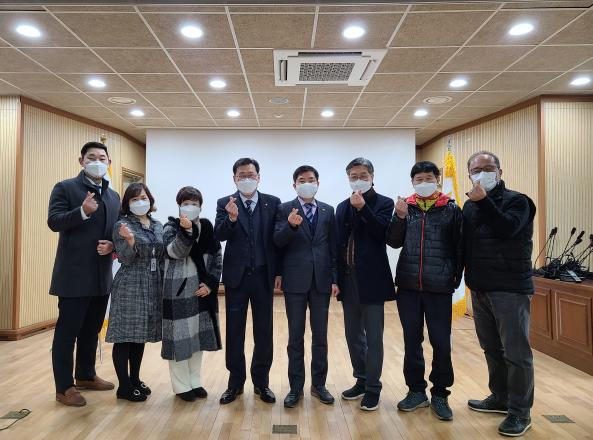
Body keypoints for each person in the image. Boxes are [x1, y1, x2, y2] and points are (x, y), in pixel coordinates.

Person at [463, 151, 536, 437]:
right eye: (476, 170)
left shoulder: (519, 201)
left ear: (500, 172)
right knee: (491, 348)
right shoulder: (469, 205)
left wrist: (484, 202)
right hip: (480, 287)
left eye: (488, 168)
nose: (482, 173)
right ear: (470, 175)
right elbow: (465, 243)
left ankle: (520, 412)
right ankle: (500, 397)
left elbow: (508, 229)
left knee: (516, 353)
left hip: (510, 288)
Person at [386, 161, 463, 421]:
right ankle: (416, 391)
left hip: (439, 287)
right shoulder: (405, 207)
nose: (423, 182)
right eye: (418, 179)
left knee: (441, 342)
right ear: (412, 182)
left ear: (437, 179)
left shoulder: (451, 208)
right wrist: (399, 217)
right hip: (408, 285)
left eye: (428, 178)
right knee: (411, 341)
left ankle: (440, 393)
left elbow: (460, 247)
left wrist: (454, 278)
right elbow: (393, 242)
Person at [47, 141, 120, 407]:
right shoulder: (66, 187)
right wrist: (82, 212)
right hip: (74, 277)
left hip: (101, 276)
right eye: (91, 157)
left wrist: (113, 246)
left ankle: (86, 375)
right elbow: (54, 221)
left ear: (109, 162)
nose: (97, 162)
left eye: (102, 158)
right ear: (81, 161)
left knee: (91, 330)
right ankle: (64, 387)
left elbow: (115, 230)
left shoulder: (113, 196)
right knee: (67, 334)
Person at [215, 158, 281, 405]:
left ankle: (262, 383)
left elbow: (277, 241)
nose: (246, 179)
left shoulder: (272, 203)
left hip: (263, 276)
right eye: (241, 175)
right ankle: (235, 383)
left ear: (258, 177)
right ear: (234, 178)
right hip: (237, 278)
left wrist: (279, 273)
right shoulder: (225, 202)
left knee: (264, 331)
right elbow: (219, 235)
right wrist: (231, 219)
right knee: (235, 332)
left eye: (250, 175)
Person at [274, 165, 339, 408]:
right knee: (295, 337)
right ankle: (295, 387)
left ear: (318, 183)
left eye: (311, 180)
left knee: (320, 336)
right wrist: (290, 226)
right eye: (302, 180)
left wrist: (335, 278)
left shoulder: (328, 210)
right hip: (295, 280)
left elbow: (333, 246)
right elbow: (277, 242)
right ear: (295, 185)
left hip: (321, 280)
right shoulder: (284, 209)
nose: (307, 183)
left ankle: (319, 385)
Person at [335, 157, 395, 411]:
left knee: (374, 337)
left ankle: (373, 387)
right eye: (353, 176)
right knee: (353, 335)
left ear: (372, 176)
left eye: (362, 175)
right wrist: (335, 279)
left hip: (372, 279)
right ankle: (360, 379)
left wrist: (362, 209)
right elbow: (338, 244)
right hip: (348, 279)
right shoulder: (342, 206)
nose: (358, 180)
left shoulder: (384, 203)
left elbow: (382, 233)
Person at [162, 186, 223, 402]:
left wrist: (210, 284)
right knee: (179, 338)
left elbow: (217, 256)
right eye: (186, 203)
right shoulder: (171, 227)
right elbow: (174, 252)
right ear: (179, 206)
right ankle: (181, 386)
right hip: (179, 291)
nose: (190, 207)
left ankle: (195, 381)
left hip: (203, 291)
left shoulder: (207, 227)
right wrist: (186, 232)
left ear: (200, 206)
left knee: (198, 338)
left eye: (194, 203)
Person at [106, 183, 164, 402]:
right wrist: (130, 240)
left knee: (139, 335)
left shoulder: (157, 225)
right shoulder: (122, 225)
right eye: (134, 199)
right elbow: (125, 258)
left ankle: (135, 379)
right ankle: (124, 386)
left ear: (150, 200)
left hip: (151, 283)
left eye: (143, 198)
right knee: (125, 336)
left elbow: (161, 255)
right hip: (130, 282)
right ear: (127, 203)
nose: (140, 202)